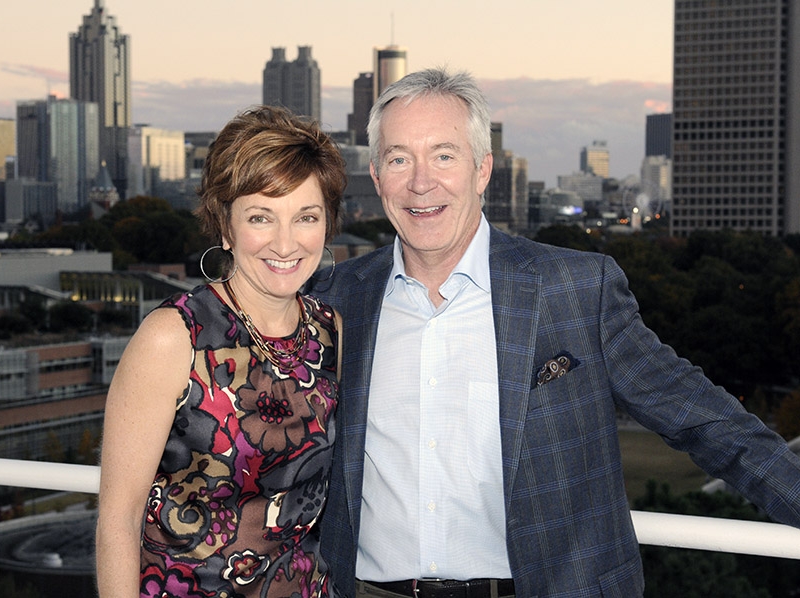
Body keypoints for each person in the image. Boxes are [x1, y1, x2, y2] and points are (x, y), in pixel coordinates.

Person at [308, 68, 800, 598]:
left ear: (482, 170)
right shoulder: (334, 300)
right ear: (377, 177)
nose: (421, 181)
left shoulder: (575, 289)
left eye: (444, 155)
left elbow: (702, 419)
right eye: (399, 158)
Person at [96, 105, 346, 598]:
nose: (285, 242)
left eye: (306, 217)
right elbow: (117, 522)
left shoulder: (329, 330)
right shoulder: (175, 337)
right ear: (226, 225)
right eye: (260, 217)